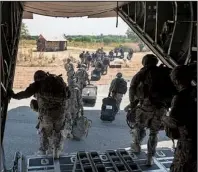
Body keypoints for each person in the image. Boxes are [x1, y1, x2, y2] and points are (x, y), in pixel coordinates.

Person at [8, 70, 71, 159]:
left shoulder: (38, 84)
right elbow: (68, 95)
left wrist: (13, 95)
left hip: (46, 115)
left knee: (44, 131)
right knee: (59, 131)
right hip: (60, 114)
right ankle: (57, 150)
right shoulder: (58, 82)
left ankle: (43, 151)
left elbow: (25, 94)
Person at [129, 54, 174, 166]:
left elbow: (132, 88)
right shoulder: (165, 73)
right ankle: (150, 158)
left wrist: (132, 104)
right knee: (154, 133)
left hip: (146, 107)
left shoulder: (142, 73)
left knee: (139, 127)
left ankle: (137, 146)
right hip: (161, 108)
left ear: (145, 62)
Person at [162, 65, 197, 172]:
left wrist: (164, 118)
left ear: (176, 80)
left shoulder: (180, 97)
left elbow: (175, 122)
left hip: (188, 143)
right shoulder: (194, 92)